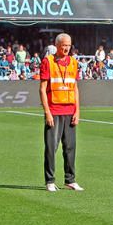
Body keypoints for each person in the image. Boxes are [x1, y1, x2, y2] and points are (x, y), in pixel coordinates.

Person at [39, 33, 82, 192]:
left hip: (70, 110)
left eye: (69, 45)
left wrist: (77, 111)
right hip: (54, 110)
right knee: (51, 147)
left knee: (70, 147)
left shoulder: (74, 63)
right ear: (57, 45)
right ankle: (50, 180)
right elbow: (42, 89)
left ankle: (70, 180)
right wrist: (47, 112)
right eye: (64, 45)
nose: (66, 48)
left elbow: (75, 88)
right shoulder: (48, 62)